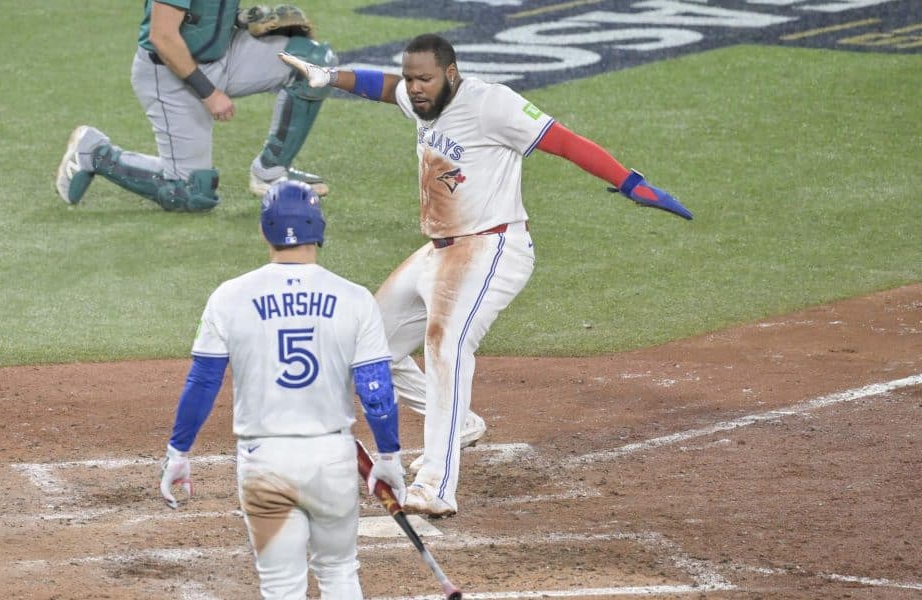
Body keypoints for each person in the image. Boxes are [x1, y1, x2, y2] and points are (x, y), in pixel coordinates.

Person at [279, 33, 692, 517]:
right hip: (439, 250)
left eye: (424, 79)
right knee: (367, 342)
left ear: (450, 74)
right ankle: (462, 423)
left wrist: (629, 182)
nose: (414, 88)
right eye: (411, 79)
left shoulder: (492, 104)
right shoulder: (420, 100)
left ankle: (436, 484)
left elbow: (564, 141)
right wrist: (331, 77)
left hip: (493, 246)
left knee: (446, 345)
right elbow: (381, 85)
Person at [158, 180, 406, 598]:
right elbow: (375, 388)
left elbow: (203, 382)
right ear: (319, 228)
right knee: (340, 572)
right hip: (331, 460)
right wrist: (389, 456)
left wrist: (178, 452)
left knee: (280, 586)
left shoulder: (228, 297)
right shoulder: (354, 298)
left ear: (264, 230)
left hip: (264, 463)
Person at [54, 3, 335, 213]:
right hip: (170, 73)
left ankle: (271, 171)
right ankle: (95, 154)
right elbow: (162, 36)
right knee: (190, 194)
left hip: (224, 54)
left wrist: (244, 18)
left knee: (313, 63)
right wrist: (209, 93)